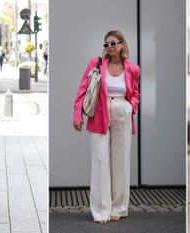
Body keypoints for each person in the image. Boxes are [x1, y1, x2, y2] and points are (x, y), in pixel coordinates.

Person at [73, 30, 140, 224]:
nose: (110, 47)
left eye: (113, 43)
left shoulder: (133, 68)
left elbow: (135, 92)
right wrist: (77, 115)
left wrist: (130, 106)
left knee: (121, 162)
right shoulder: (96, 64)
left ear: (122, 44)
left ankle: (118, 207)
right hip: (100, 113)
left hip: (122, 111)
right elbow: (82, 90)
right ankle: (102, 210)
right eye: (106, 44)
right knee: (100, 160)